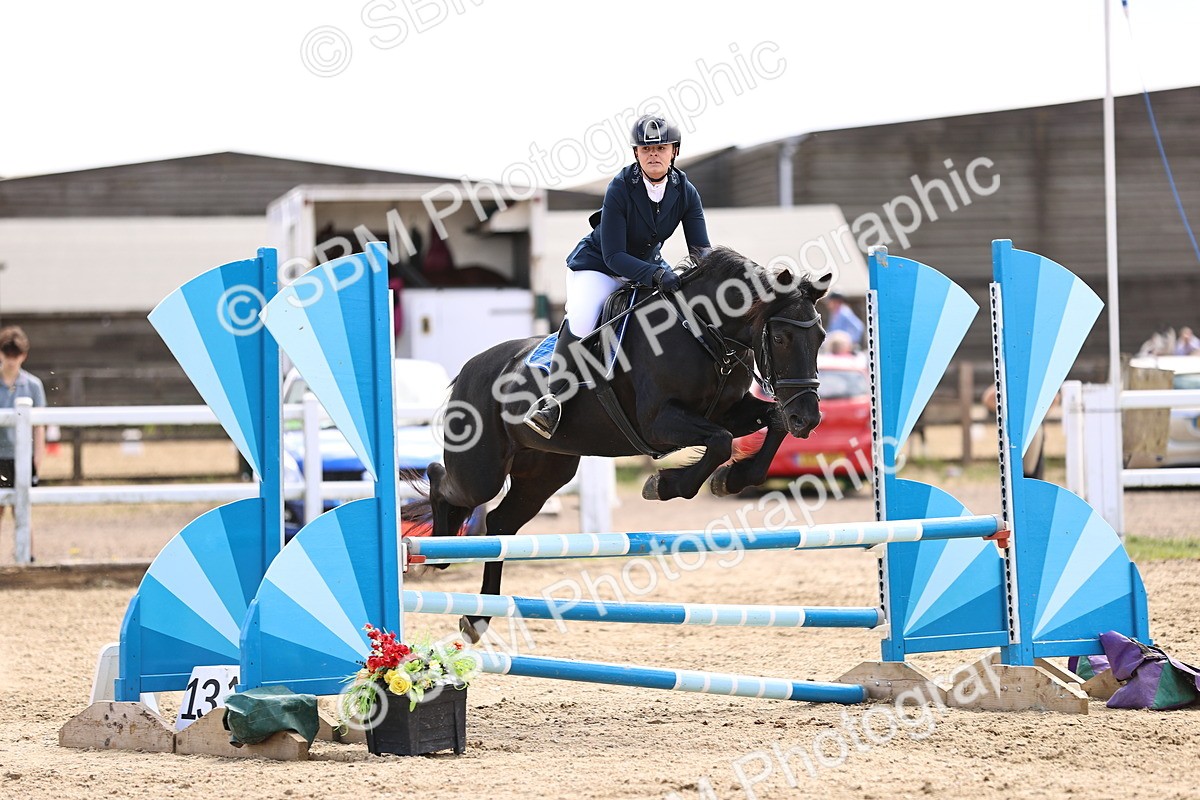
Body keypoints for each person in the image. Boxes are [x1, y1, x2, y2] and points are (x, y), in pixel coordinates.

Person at [523, 114, 711, 438]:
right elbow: (614, 256)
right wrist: (656, 274)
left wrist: (712, 274)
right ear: (636, 153)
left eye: (661, 147)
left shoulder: (686, 192)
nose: (654, 154)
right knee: (582, 317)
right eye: (646, 148)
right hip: (599, 266)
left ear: (674, 152)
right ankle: (552, 401)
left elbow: (701, 250)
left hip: (647, 268)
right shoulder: (621, 187)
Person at [1, 327, 47, 533]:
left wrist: (38, 456)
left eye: (16, 355)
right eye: (7, 354)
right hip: (0, 455)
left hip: (22, 455)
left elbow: (39, 426)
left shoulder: (33, 385)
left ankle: (28, 556)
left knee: (22, 509)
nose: (11, 360)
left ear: (24, 355)